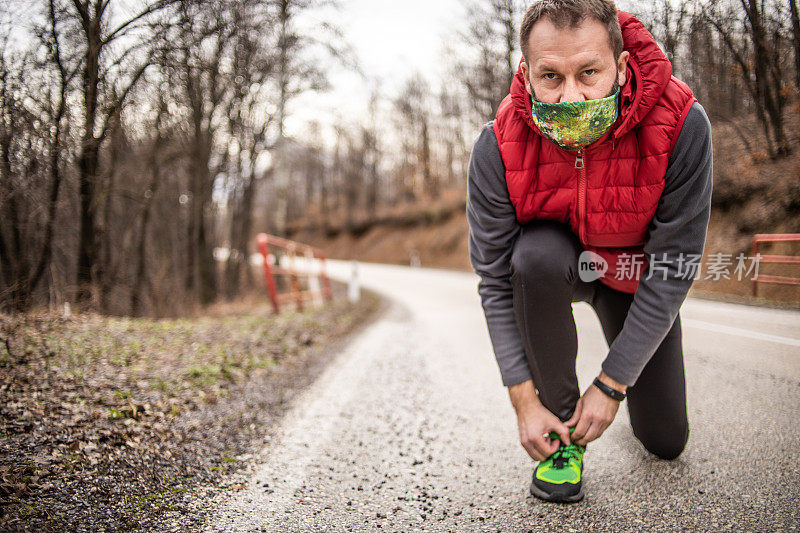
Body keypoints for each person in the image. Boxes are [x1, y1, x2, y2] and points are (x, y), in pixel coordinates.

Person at [466, 0, 713, 503]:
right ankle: (564, 437)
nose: (570, 96)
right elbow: (494, 280)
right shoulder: (497, 146)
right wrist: (523, 398)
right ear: (527, 75)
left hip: (635, 276)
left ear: (621, 69)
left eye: (589, 72)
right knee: (533, 256)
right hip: (555, 269)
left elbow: (672, 268)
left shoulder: (683, 124)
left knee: (666, 441)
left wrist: (610, 384)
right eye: (550, 77)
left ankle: (626, 389)